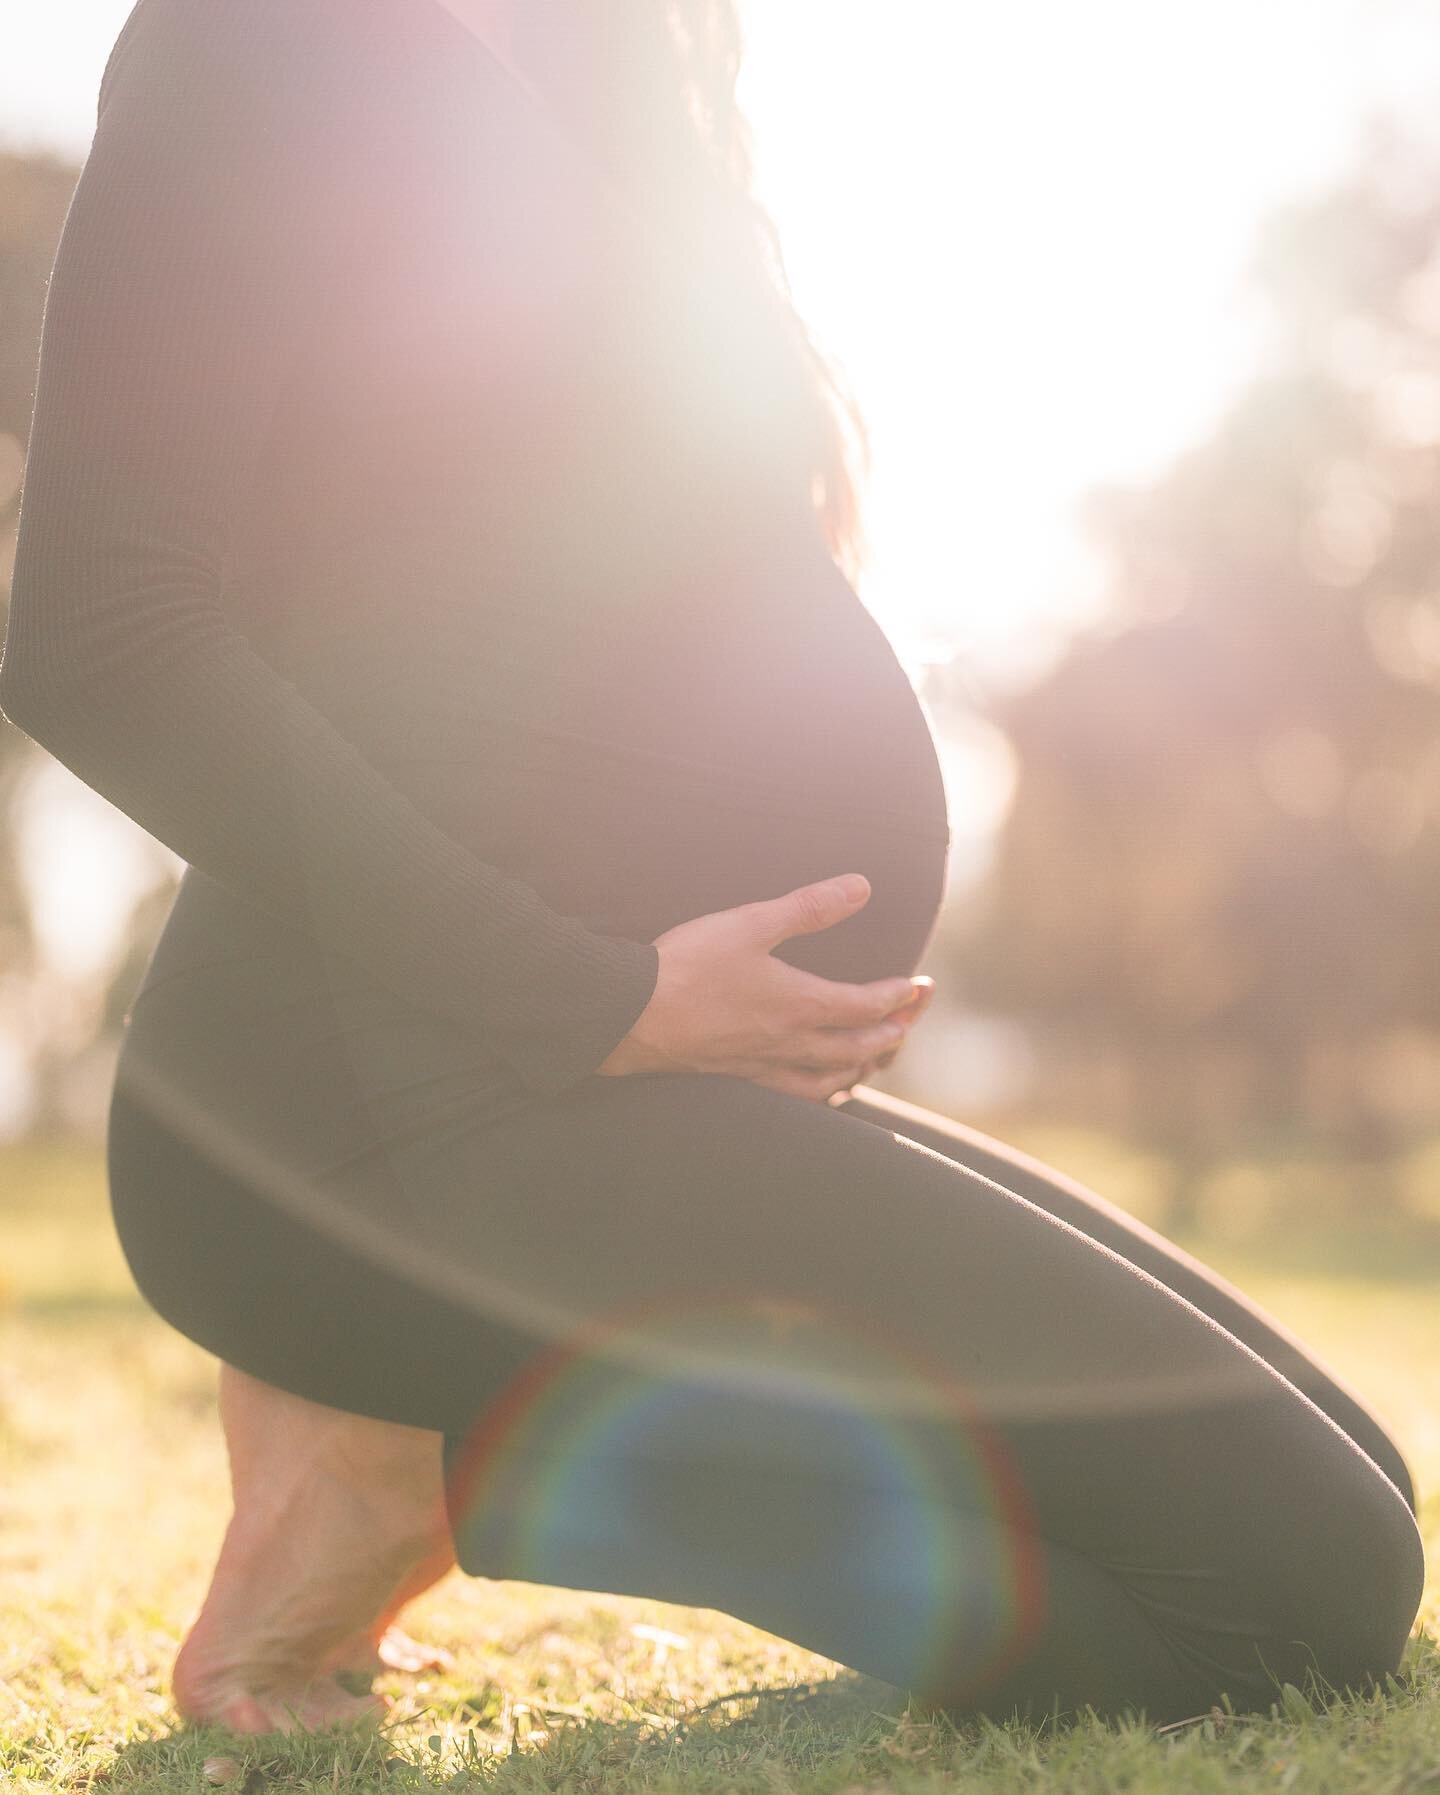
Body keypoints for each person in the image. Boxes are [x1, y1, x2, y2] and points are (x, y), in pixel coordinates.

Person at [0, 0, 1423, 1740]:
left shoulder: (612, 60)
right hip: (387, 1117)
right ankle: (449, 1475)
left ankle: (408, 1450)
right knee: (1308, 1592)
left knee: (1364, 1492)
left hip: (605, 1073)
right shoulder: (272, 34)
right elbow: (100, 632)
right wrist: (590, 995)